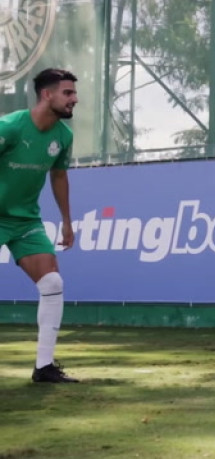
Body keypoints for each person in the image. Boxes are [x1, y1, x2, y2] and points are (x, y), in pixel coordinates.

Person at [0, 68, 79, 383]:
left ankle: (44, 367)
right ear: (48, 94)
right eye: (68, 93)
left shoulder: (63, 136)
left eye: (74, 93)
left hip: (25, 221)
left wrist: (67, 222)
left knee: (52, 284)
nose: (75, 99)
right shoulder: (12, 127)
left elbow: (59, 176)